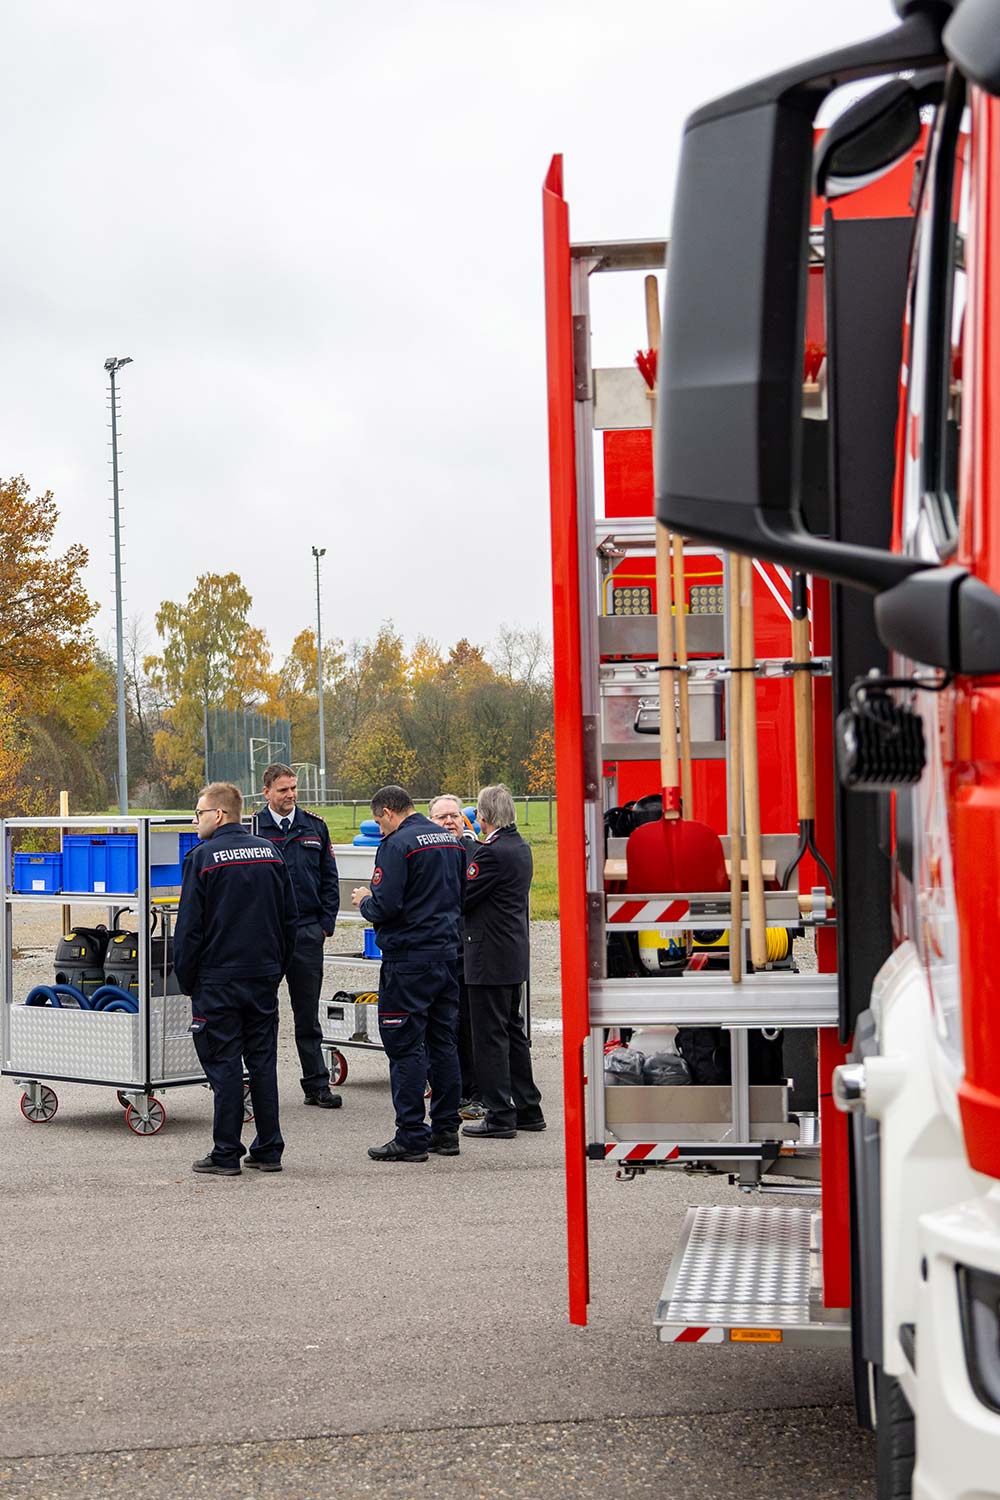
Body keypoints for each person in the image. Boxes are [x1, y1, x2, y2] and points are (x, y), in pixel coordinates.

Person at [173, 782, 298, 1176]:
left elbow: (189, 929)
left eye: (199, 813)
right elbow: (289, 919)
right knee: (262, 1062)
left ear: (219, 814)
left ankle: (226, 1151)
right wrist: (276, 968)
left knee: (224, 1063)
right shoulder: (271, 852)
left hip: (219, 980)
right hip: (262, 977)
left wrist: (188, 979)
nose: (196, 821)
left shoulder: (203, 858)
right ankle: (269, 1147)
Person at [351, 784, 465, 1163]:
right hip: (446, 955)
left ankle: (411, 1134)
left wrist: (365, 900)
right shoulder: (451, 840)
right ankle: (446, 1130)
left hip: (408, 960)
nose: (380, 829)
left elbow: (386, 905)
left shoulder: (397, 844)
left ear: (386, 811)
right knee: (443, 1043)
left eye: (379, 822)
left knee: (404, 1047)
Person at [251, 762, 342, 1109]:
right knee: (261, 1013)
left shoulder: (314, 826)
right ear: (267, 793)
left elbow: (329, 878)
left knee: (307, 1013)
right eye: (283, 790)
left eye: (293, 789)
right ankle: (260, 1085)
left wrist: (324, 925)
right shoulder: (253, 829)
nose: (290, 795)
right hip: (266, 936)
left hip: (306, 932)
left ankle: (316, 1084)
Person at [461, 783, 545, 1139]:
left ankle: (499, 1113)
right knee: (512, 1031)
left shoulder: (490, 853)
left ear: (484, 815)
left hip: (488, 956)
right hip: (511, 954)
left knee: (489, 1036)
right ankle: (527, 1107)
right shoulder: (518, 846)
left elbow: (465, 896)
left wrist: (467, 849)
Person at [428, 793, 483, 1119]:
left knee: (468, 1027)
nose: (449, 821)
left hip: (467, 954)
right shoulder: (427, 854)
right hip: (436, 954)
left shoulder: (475, 854)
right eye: (442, 817)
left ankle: (474, 1092)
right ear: (430, 821)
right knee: (441, 1027)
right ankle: (451, 1090)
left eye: (454, 816)